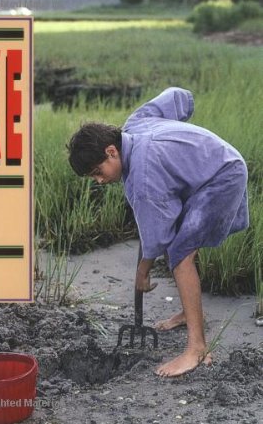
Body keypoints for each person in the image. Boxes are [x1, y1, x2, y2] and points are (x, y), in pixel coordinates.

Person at [67, 87, 249, 377]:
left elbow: (157, 236)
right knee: (180, 240)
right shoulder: (134, 124)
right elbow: (176, 97)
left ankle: (198, 349)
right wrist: (182, 140)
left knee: (179, 253)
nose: (99, 181)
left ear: (111, 151)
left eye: (98, 172)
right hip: (208, 165)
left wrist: (143, 271)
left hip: (221, 176)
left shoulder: (143, 178)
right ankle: (191, 314)